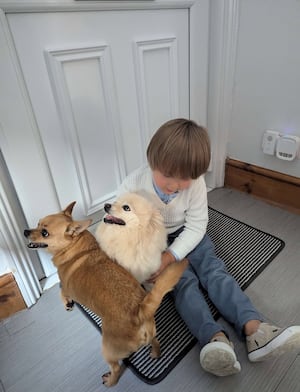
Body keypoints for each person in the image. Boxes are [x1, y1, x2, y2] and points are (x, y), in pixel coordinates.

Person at [117, 118, 300, 376]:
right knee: (184, 285)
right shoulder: (132, 185)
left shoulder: (196, 185)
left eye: (185, 180)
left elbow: (196, 225)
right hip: (152, 241)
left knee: (214, 272)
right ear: (152, 161)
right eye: (168, 175)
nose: (174, 185)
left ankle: (255, 328)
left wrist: (172, 255)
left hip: (190, 235)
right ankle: (214, 340)